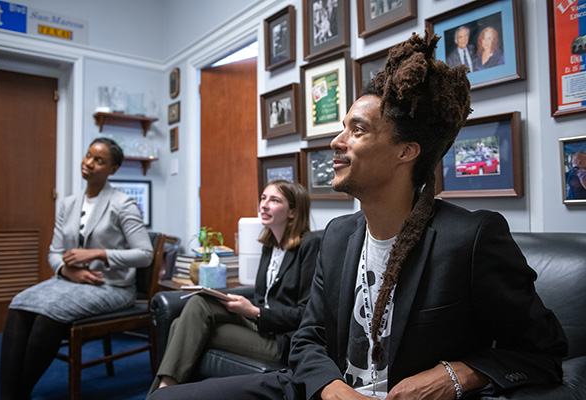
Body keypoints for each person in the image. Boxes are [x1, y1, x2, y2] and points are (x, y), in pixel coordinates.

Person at [149, 33, 567, 400]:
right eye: (342, 127)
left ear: (406, 151)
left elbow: (543, 350)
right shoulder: (336, 235)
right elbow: (308, 338)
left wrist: (457, 374)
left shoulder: (472, 237)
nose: (336, 141)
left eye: (357, 129)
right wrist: (329, 387)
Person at [0, 137, 154, 399]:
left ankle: (19, 393)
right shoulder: (68, 204)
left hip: (111, 286)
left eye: (99, 160)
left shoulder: (122, 203)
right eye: (88, 156)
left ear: (112, 169)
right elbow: (55, 252)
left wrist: (98, 253)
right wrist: (66, 271)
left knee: (50, 314)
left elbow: (145, 254)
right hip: (70, 281)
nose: (89, 163)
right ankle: (9, 395)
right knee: (19, 304)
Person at [147, 180, 321, 396]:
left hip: (282, 340)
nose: (264, 205)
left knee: (179, 327)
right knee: (199, 303)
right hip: (259, 326)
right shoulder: (270, 245)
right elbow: (263, 297)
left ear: (293, 211)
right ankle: (169, 393)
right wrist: (241, 307)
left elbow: (306, 314)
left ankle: (163, 392)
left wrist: (255, 312)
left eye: (274, 200)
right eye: (263, 198)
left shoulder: (310, 245)